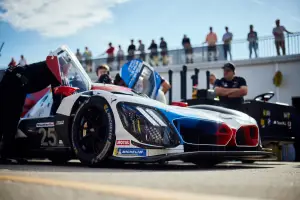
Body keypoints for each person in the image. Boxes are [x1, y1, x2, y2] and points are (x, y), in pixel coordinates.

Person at [0, 61, 60, 161]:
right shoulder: (53, 68)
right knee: (7, 119)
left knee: (12, 120)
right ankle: (6, 154)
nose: (68, 70)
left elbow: (56, 96)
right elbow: (16, 72)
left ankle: (7, 153)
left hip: (19, 89)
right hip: (11, 85)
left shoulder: (54, 70)